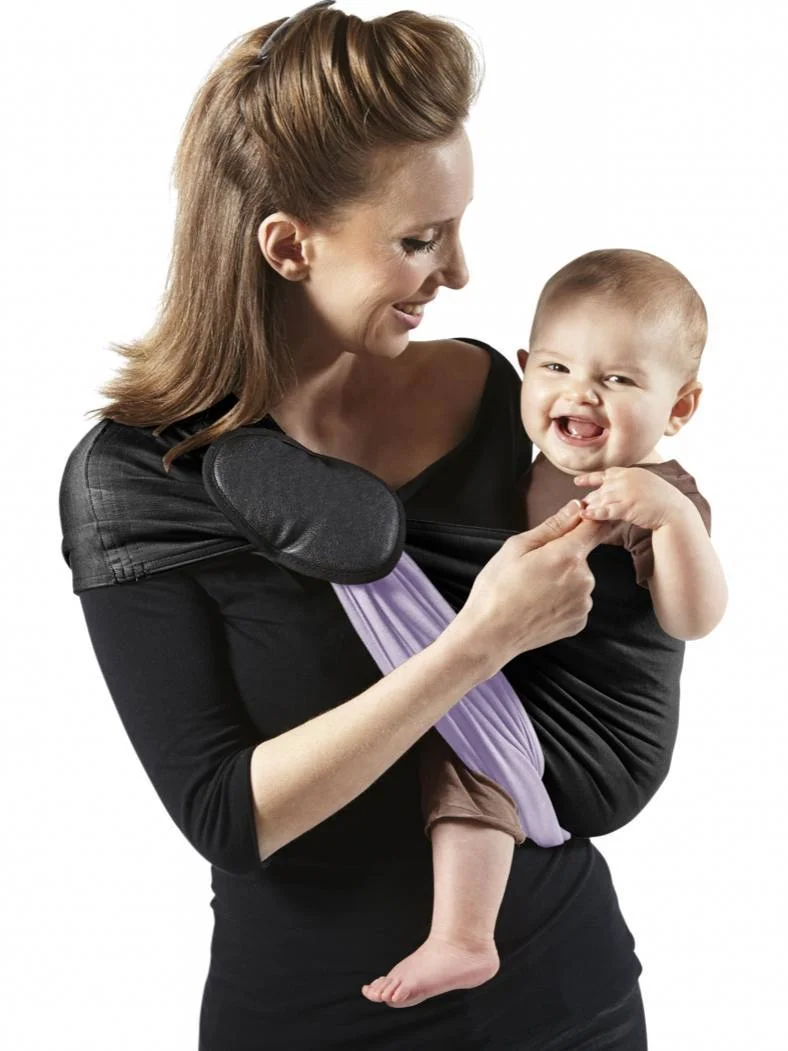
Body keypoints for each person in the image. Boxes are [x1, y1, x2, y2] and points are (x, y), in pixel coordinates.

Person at [59, 5, 651, 1048]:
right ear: (289, 246)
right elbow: (226, 815)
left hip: (565, 994)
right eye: (418, 240)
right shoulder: (139, 483)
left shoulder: (490, 393)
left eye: (456, 227)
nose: (458, 272)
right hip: (317, 1016)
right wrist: (475, 642)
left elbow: (596, 659)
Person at [356, 248, 727, 1010]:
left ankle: (464, 935)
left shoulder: (657, 495)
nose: (580, 392)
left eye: (618, 380)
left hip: (604, 734)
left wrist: (673, 523)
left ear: (679, 408)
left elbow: (695, 618)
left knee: (468, 752)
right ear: (524, 370)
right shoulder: (515, 470)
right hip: (532, 701)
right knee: (446, 717)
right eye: (557, 367)